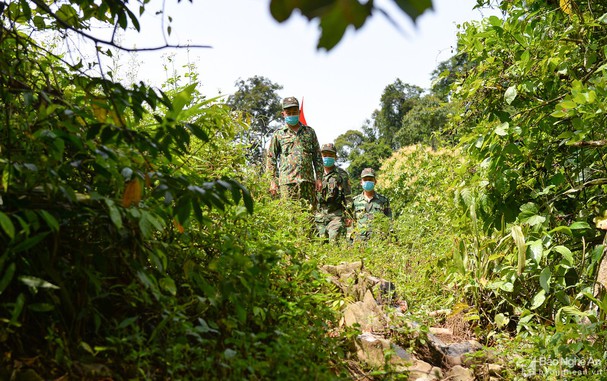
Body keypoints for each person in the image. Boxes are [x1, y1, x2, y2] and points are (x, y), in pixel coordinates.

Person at [266, 96, 323, 210]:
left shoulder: (309, 132)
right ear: (283, 114)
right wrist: (272, 181)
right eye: (289, 112)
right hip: (287, 183)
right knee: (290, 218)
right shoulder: (278, 134)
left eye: (294, 112)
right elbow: (271, 158)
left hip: (307, 182)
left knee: (309, 218)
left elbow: (317, 156)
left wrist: (319, 178)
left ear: (299, 112)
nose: (292, 114)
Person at [315, 143, 352, 242]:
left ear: (335, 157)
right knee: (319, 245)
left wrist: (349, 216)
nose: (327, 157)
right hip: (318, 216)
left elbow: (347, 197)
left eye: (330, 155)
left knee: (334, 241)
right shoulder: (314, 174)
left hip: (336, 215)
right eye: (325, 155)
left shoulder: (342, 175)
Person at [351, 168, 392, 241]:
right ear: (361, 182)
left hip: (378, 241)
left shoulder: (383, 200)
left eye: (370, 179)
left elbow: (389, 221)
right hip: (360, 241)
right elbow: (351, 223)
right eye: (365, 180)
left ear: (375, 182)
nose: (368, 182)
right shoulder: (355, 201)